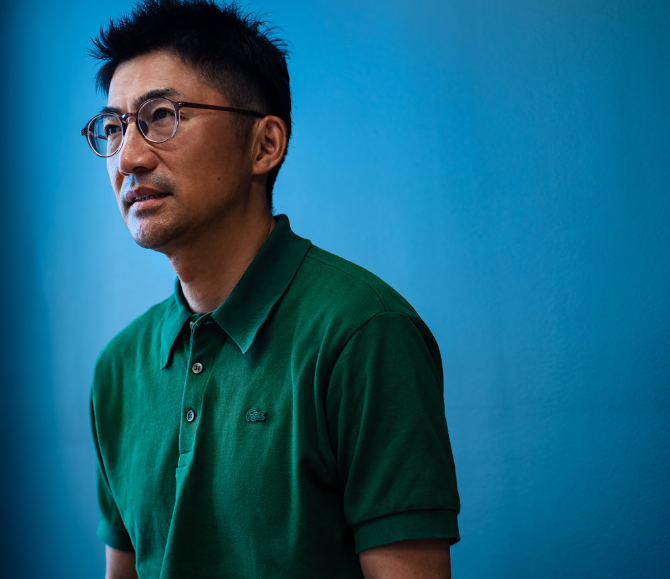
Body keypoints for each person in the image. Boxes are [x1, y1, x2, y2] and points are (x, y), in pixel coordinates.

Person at [84, 1, 460, 577]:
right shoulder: (117, 369)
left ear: (264, 145)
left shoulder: (364, 335)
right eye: (114, 128)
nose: (128, 158)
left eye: (161, 116)